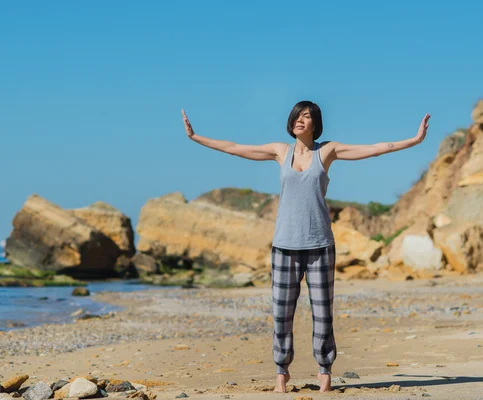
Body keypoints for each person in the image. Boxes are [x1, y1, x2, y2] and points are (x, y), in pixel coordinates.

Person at [181, 101, 430, 392]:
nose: (301, 120)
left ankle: (324, 373)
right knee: (281, 314)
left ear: (316, 123)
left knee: (322, 313)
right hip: (284, 245)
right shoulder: (280, 151)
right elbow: (235, 147)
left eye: (307, 116)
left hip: (320, 245)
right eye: (298, 115)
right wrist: (196, 137)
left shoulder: (327, 151)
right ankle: (280, 374)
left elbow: (374, 148)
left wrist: (414, 140)